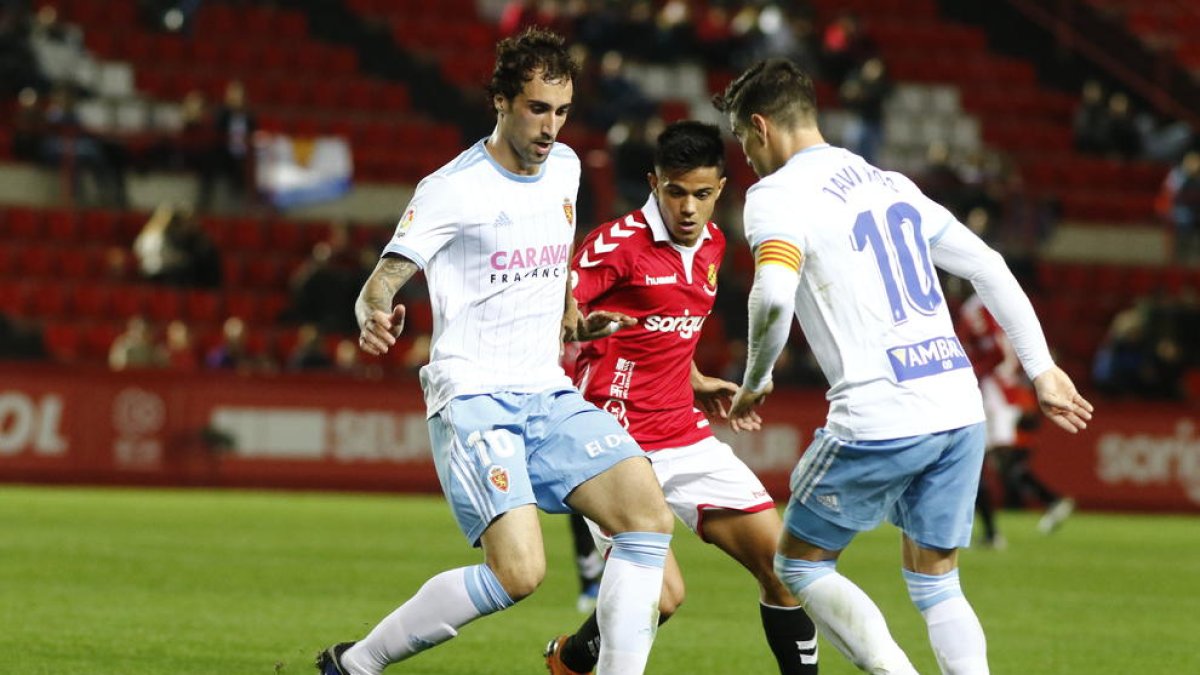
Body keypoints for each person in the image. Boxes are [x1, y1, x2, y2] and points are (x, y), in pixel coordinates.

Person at [713, 59, 1094, 674]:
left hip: (879, 413)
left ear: (759, 127)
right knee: (937, 581)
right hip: (957, 407)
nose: (746, 158)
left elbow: (774, 295)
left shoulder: (776, 195)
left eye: (741, 140)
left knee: (798, 564)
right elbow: (989, 265)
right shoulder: (891, 183)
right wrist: (1042, 367)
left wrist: (757, 380)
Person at [315, 28, 674, 675]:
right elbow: (384, 278)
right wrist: (372, 312)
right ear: (502, 102)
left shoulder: (564, 168)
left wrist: (570, 315)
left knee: (648, 515)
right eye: (538, 109)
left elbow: (554, 255)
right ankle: (356, 663)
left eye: (562, 112)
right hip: (476, 395)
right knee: (520, 571)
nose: (551, 128)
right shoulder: (452, 188)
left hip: (548, 390)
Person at [545, 120, 818, 675]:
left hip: (683, 433)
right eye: (675, 192)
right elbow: (555, 303)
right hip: (613, 444)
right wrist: (571, 324)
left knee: (785, 567)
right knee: (664, 598)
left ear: (720, 189)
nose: (688, 208)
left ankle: (572, 659)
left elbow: (663, 327)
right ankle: (576, 658)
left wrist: (693, 379)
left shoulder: (715, 244)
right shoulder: (616, 246)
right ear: (654, 183)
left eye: (701, 193)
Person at [956, 294, 1074, 547]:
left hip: (995, 393)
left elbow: (995, 350)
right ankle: (1049, 501)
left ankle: (993, 532)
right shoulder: (995, 299)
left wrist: (973, 373)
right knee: (994, 462)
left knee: (977, 462)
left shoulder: (974, 308)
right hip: (1007, 391)